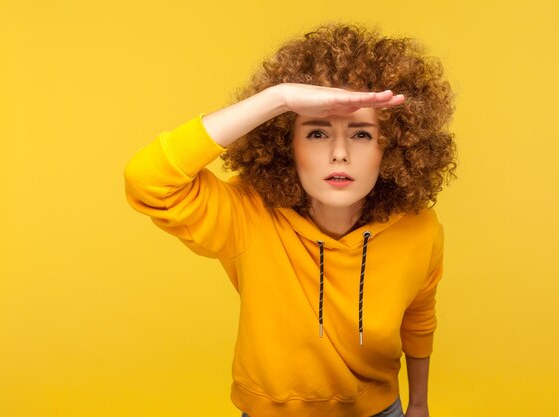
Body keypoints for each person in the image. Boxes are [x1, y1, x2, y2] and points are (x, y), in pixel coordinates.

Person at [124, 22, 456, 417]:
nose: (339, 153)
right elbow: (147, 182)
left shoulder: (419, 228)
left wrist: (419, 405)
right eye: (316, 133)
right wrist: (277, 100)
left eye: (362, 135)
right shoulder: (248, 215)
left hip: (381, 410)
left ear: (394, 148)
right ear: (286, 145)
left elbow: (418, 319)